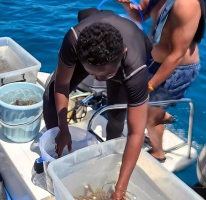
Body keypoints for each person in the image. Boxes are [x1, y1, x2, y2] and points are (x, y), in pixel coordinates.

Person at [43, 8, 152, 199]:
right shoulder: (73, 39)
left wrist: (120, 189)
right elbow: (61, 86)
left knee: (117, 118)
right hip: (98, 45)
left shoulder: (135, 69)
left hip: (128, 58)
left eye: (105, 75)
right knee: (50, 96)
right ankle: (57, 154)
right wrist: (63, 129)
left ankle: (108, 161)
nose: (100, 81)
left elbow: (136, 133)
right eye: (94, 75)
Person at [117, 0, 205, 162]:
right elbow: (141, 15)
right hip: (153, 61)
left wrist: (149, 86)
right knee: (145, 102)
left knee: (149, 117)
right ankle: (162, 113)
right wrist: (126, 5)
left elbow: (177, 55)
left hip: (176, 70)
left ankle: (158, 152)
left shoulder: (186, 4)